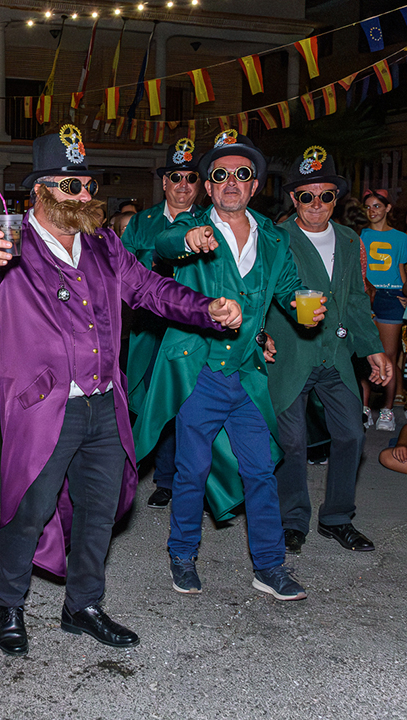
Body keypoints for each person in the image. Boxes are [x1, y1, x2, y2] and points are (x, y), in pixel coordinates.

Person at [0, 128, 241, 656]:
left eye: (88, 184)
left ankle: (82, 605)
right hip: (42, 407)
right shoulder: (9, 244)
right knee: (27, 510)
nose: (85, 195)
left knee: (100, 510)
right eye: (71, 186)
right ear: (39, 190)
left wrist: (206, 308)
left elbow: (152, 290)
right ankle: (10, 606)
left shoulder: (107, 246)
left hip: (105, 403)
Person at [133, 130, 325, 602]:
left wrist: (304, 312)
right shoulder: (193, 228)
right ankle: (182, 555)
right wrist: (189, 238)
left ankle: (269, 566)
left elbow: (286, 291)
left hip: (247, 374)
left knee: (261, 470)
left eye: (242, 174)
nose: (231, 182)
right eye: (220, 175)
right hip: (200, 373)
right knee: (191, 469)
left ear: (255, 184)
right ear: (208, 185)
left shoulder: (274, 239)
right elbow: (163, 242)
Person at [267, 149, 391, 555]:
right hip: (291, 356)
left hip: (335, 355)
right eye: (307, 196)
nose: (316, 204)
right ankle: (292, 521)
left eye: (325, 195)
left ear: (336, 198)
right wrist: (259, 337)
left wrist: (372, 350)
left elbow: (355, 300)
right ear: (294, 199)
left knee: (352, 434)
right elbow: (261, 296)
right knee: (293, 444)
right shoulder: (277, 237)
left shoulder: (351, 239)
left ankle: (337, 518)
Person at [122, 137, 201, 510]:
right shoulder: (141, 222)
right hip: (151, 328)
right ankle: (164, 478)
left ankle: (191, 480)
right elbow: (121, 270)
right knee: (153, 401)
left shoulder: (207, 222)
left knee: (192, 404)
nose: (183, 184)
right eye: (176, 177)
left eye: (190, 177)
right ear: (165, 183)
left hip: (193, 329)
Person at [360, 189, 407, 430]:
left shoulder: (401, 238)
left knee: (389, 357)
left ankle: (387, 411)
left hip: (391, 297)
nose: (372, 211)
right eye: (368, 207)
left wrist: (405, 295)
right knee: (365, 355)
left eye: (377, 206)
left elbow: (402, 272)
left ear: (388, 208)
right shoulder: (361, 235)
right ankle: (365, 408)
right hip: (366, 296)